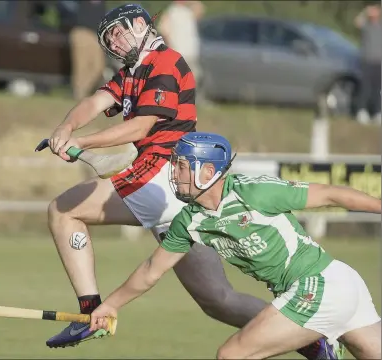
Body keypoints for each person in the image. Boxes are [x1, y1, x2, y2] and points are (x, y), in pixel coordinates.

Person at [44, 4, 342, 358]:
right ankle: (312, 340)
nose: (117, 42)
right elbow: (95, 101)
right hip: (177, 196)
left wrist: (84, 141)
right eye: (110, 39)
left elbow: (142, 126)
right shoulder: (132, 73)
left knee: (63, 210)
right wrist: (66, 127)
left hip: (165, 176)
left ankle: (88, 310)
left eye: (120, 32)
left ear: (141, 24)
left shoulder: (165, 62)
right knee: (218, 300)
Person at [89, 132, 381, 359]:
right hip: (332, 288)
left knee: (233, 355)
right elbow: (152, 269)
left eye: (180, 166)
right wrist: (111, 305)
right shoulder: (189, 220)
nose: (173, 174)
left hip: (319, 284)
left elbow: (330, 195)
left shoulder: (253, 192)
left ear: (207, 172)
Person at [69, 0, 106, 101]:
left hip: (95, 36)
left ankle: (81, 93)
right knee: (81, 67)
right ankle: (78, 95)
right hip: (82, 32)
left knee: (98, 67)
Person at [354, 3, 381, 125]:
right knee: (365, 87)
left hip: (379, 62)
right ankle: (361, 111)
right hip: (367, 61)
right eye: (373, 11)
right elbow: (357, 21)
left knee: (377, 89)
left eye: (377, 11)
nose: (375, 13)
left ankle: (376, 113)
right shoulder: (366, 26)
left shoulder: (380, 27)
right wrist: (366, 11)